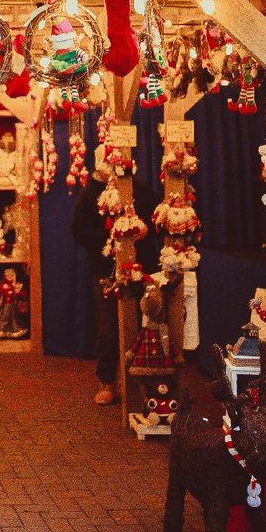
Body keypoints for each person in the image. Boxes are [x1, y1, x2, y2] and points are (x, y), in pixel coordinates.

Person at [72, 163, 159, 405]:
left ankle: (146, 382)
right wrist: (110, 235)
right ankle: (107, 381)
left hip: (143, 268)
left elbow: (156, 220)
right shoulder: (89, 194)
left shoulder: (139, 189)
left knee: (148, 324)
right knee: (108, 328)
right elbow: (78, 232)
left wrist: (144, 230)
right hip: (106, 271)